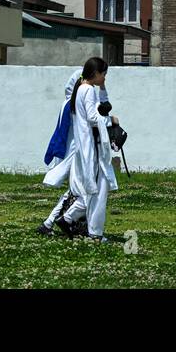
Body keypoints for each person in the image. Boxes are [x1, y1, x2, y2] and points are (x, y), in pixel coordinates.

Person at [59, 57, 119, 242]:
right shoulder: (88, 91)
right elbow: (94, 117)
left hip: (84, 148)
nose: (104, 78)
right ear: (96, 73)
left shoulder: (80, 89)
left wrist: (102, 89)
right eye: (103, 74)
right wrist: (111, 121)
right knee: (98, 190)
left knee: (92, 190)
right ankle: (93, 233)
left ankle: (70, 220)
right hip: (91, 149)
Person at [36, 67, 84, 236]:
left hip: (74, 154)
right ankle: (54, 223)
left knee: (75, 193)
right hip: (77, 155)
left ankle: (51, 224)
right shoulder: (75, 105)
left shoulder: (68, 104)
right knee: (79, 193)